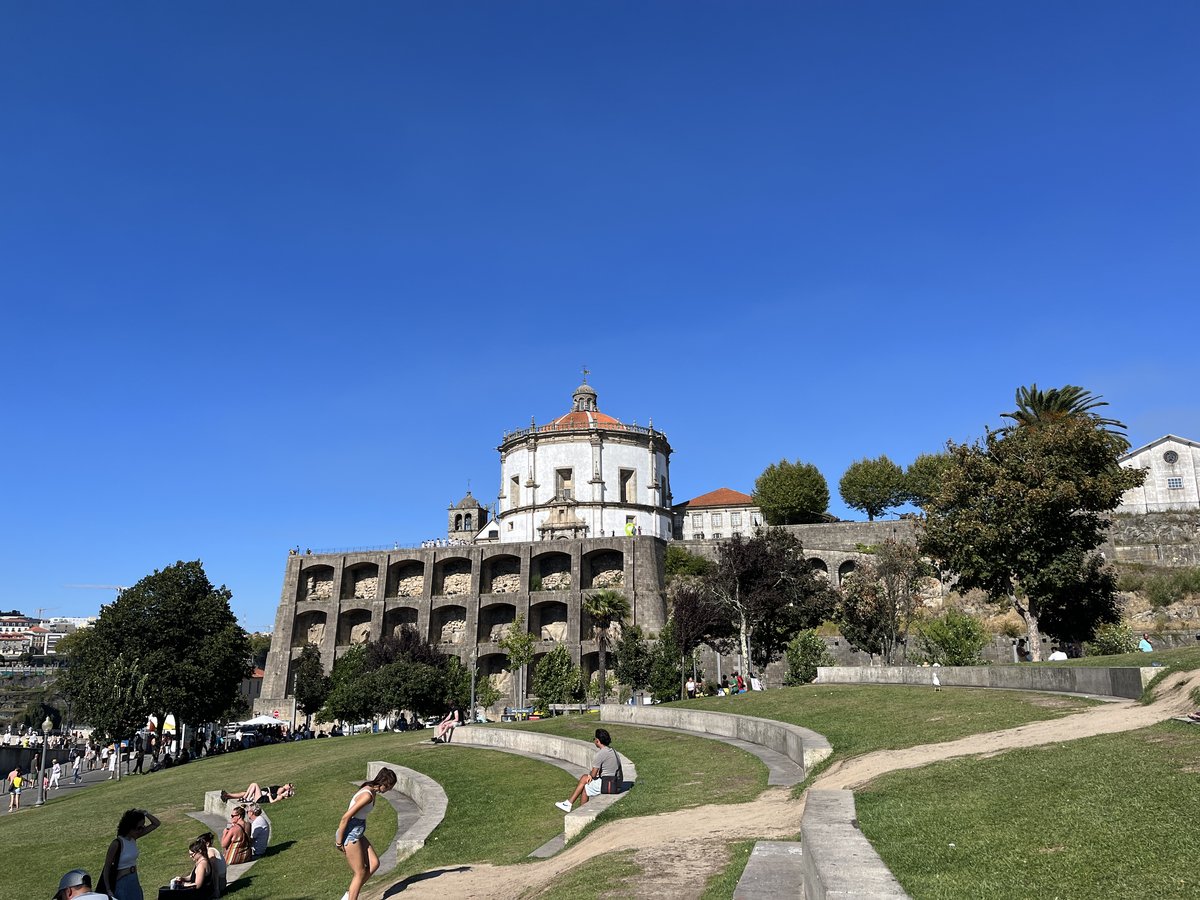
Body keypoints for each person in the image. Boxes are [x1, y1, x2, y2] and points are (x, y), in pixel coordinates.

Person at [335, 767, 398, 900]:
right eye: (389, 786)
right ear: (384, 783)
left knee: (374, 864)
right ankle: (352, 896)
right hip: (350, 834)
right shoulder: (367, 795)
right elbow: (345, 818)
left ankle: (350, 893)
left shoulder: (371, 789)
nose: (390, 790)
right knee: (360, 872)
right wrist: (339, 842)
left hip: (357, 832)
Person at [554, 728, 621, 812]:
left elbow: (593, 774)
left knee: (585, 784)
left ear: (597, 740)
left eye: (594, 739)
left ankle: (575, 807)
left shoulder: (601, 754)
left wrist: (590, 776)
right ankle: (570, 804)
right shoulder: (612, 751)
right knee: (585, 779)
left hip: (610, 785)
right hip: (617, 782)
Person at [101, 808, 161, 900]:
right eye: (139, 827)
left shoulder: (134, 838)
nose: (142, 829)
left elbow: (156, 823)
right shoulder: (117, 843)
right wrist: (108, 890)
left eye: (143, 827)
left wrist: (145, 813)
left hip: (134, 880)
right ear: (130, 827)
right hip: (121, 882)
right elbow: (107, 868)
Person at [220, 782, 295, 804]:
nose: (287, 785)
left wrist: (269, 795)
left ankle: (246, 798)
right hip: (261, 795)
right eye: (289, 784)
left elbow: (272, 801)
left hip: (260, 798)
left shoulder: (281, 794)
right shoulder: (281, 792)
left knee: (254, 784)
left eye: (288, 791)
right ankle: (227, 796)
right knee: (244, 792)